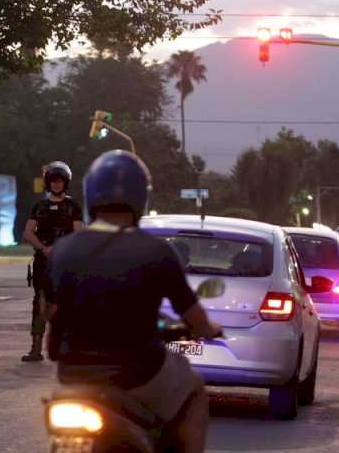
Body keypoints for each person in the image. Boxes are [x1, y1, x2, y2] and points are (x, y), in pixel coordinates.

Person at [47, 150, 222, 453]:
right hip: (137, 374)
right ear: (141, 198)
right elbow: (195, 317)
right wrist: (210, 329)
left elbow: (49, 309)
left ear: (91, 195)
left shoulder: (63, 250)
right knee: (194, 390)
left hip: (72, 374)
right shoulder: (157, 252)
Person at [20, 161, 83, 362]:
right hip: (43, 262)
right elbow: (28, 232)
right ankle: (36, 347)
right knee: (39, 303)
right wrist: (43, 248)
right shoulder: (39, 207)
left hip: (66, 263)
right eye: (53, 181)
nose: (57, 185)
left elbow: (79, 232)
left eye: (60, 181)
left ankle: (67, 347)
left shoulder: (73, 207)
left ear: (66, 183)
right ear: (48, 183)